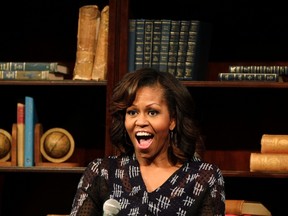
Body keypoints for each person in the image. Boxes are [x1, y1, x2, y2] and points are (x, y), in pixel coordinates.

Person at [69, 68, 225, 216]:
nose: (140, 121)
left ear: (172, 120)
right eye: (132, 112)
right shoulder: (101, 172)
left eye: (152, 112)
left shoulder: (203, 177)